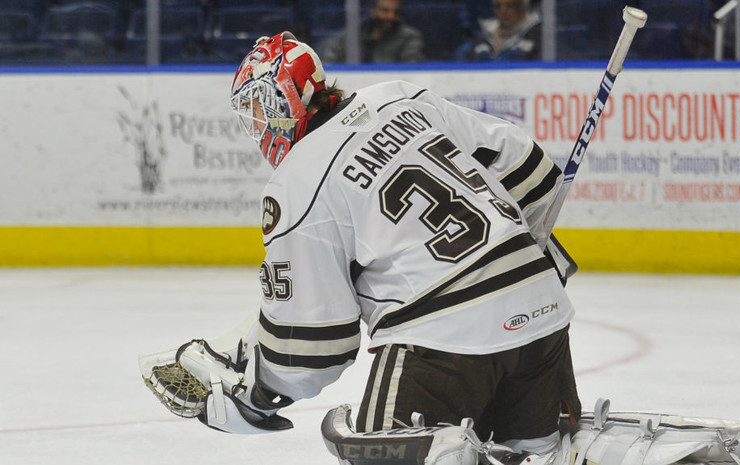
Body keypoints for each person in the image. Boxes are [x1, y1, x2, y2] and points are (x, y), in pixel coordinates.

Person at [140, 31, 580, 462]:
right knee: (535, 453)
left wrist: (256, 389)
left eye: (259, 108)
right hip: (543, 313)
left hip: (442, 337)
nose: (256, 125)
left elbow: (312, 351)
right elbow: (534, 172)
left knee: (387, 453)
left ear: (288, 100)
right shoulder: (400, 97)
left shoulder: (297, 183)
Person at [321, 0, 424, 63]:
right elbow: (329, 60)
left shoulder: (410, 37)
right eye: (385, 10)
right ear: (373, 11)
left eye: (396, 12)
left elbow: (412, 66)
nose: (391, 16)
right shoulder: (353, 33)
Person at [460, 0, 541, 62]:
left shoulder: (536, 33)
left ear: (523, 7)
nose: (503, 11)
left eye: (510, 6)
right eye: (498, 6)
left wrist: (500, 47)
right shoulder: (486, 36)